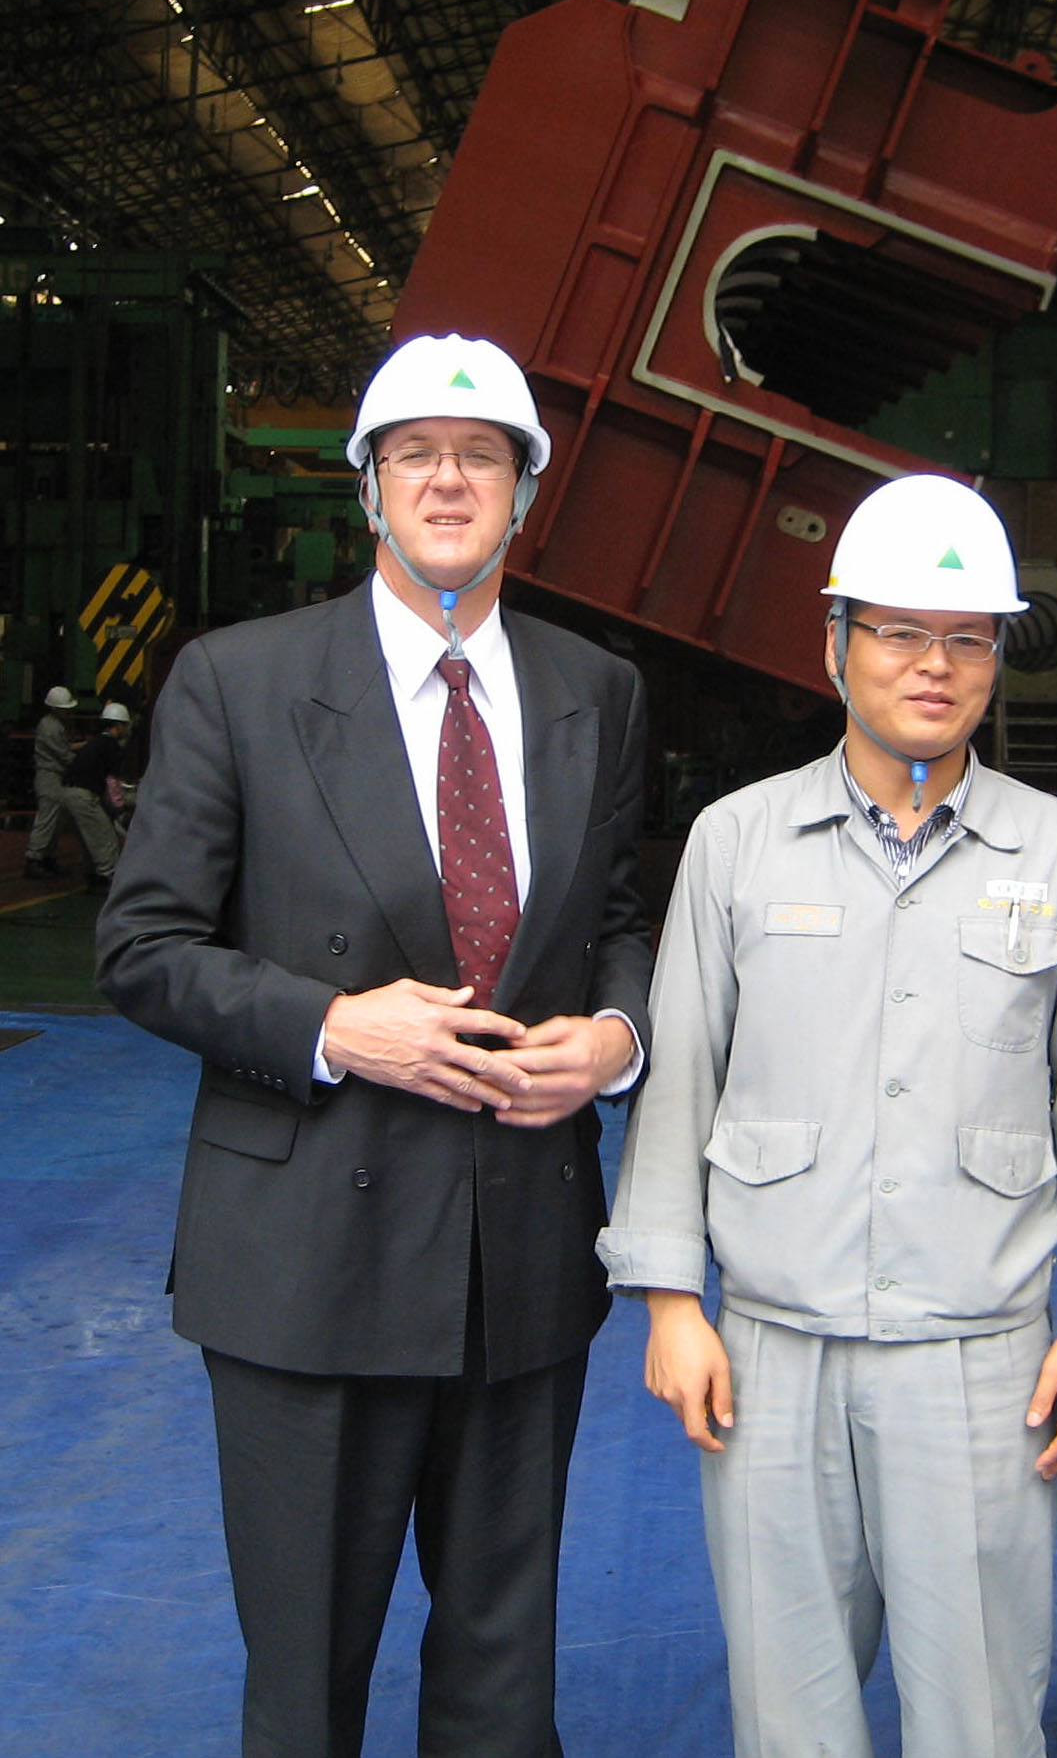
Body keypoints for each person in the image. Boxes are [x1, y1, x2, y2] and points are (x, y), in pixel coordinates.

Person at [96, 332, 654, 1758]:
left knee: (502, 1689)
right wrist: (334, 1026)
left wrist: (614, 1037)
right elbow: (144, 946)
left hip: (519, 1257)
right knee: (306, 1687)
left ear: (526, 492)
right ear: (368, 488)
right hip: (307, 1265)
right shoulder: (240, 682)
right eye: (415, 455)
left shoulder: (596, 691)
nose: (448, 481)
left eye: (481, 457)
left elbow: (623, 920)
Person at [600, 473, 1057, 1758]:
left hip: (979, 1359)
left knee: (979, 1711)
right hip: (769, 1351)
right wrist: (672, 1302)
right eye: (900, 631)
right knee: (787, 1711)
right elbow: (681, 1077)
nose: (935, 664)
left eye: (968, 638)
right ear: (834, 644)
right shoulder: (738, 844)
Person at [57, 700, 131, 890]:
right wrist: (120, 810)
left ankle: (92, 876)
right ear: (119, 726)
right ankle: (108, 878)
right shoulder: (111, 746)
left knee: (89, 839)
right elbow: (112, 782)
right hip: (83, 796)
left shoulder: (95, 743)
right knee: (106, 839)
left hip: (66, 794)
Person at [23, 683, 78, 877]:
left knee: (55, 820)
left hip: (54, 776)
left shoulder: (54, 724)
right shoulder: (51, 727)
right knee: (47, 819)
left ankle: (47, 856)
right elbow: (64, 755)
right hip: (50, 776)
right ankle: (34, 858)